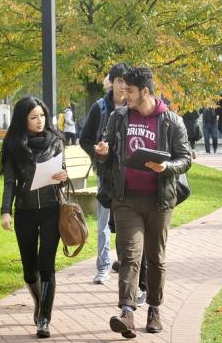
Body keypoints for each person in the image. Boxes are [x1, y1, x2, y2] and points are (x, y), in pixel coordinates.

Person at [95, 66, 191, 338]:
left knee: (155, 258)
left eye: (130, 91)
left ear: (145, 92)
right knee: (129, 254)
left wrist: (166, 167)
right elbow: (107, 150)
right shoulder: (119, 117)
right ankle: (126, 312)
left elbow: (186, 159)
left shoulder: (172, 121)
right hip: (126, 199)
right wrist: (103, 152)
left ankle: (154, 309)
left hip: (159, 201)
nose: (125, 95)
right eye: (123, 90)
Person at [0, 96, 69, 338]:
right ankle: (40, 303)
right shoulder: (14, 145)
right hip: (26, 213)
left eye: (42, 116)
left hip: (52, 210)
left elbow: (65, 173)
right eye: (33, 117)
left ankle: (44, 319)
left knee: (46, 266)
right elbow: (9, 182)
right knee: (30, 271)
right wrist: (5, 211)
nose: (40, 121)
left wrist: (63, 176)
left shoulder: (56, 141)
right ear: (23, 120)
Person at [80, 63, 129, 286]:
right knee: (103, 222)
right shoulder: (99, 108)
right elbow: (84, 139)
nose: (123, 86)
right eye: (119, 81)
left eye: (127, 82)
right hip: (105, 175)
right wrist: (96, 151)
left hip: (130, 175)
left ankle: (125, 265)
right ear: (112, 82)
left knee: (127, 223)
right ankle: (103, 266)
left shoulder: (135, 108)